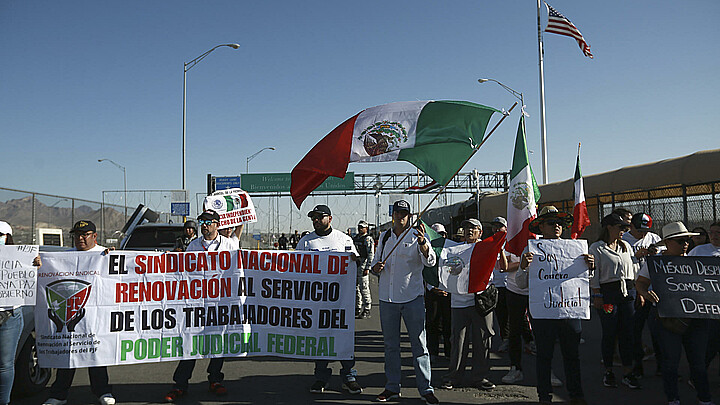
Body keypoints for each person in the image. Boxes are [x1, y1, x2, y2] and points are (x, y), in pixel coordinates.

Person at [515, 206, 592, 405]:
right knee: (544, 355)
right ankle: (544, 396)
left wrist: (589, 267)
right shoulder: (531, 250)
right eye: (551, 223)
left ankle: (576, 394)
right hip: (544, 312)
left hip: (570, 310)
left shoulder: (574, 249)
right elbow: (521, 283)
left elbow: (581, 281)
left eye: (560, 223)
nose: (557, 226)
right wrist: (524, 267)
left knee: (572, 355)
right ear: (541, 226)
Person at [636, 222, 713, 405]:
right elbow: (640, 283)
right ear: (668, 243)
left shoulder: (696, 259)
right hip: (667, 318)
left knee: (698, 362)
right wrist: (646, 294)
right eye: (680, 241)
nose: (685, 244)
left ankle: (704, 398)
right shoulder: (655, 263)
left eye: (687, 240)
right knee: (671, 361)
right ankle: (673, 398)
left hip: (696, 318)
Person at [164, 210, 237, 402]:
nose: (204, 225)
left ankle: (215, 379)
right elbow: (185, 272)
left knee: (217, 342)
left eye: (208, 222)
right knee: (190, 342)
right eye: (201, 221)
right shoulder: (194, 245)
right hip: (196, 303)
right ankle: (180, 384)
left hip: (220, 301)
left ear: (217, 224)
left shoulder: (229, 244)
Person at [371, 200, 439, 404]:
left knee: (419, 345)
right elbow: (375, 262)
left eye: (405, 213)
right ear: (392, 214)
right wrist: (376, 268)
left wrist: (424, 245)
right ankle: (392, 387)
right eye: (398, 212)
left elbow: (431, 261)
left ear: (409, 216)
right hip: (387, 299)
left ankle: (426, 389)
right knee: (391, 346)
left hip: (413, 298)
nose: (401, 216)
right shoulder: (384, 237)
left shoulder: (417, 236)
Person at [44, 220, 115, 405]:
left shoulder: (104, 253)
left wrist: (115, 257)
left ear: (94, 236)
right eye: (76, 235)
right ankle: (58, 394)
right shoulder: (65, 256)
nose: (80, 239)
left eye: (84, 235)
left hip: (96, 316)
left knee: (96, 354)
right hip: (70, 314)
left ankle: (102, 391)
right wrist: (37, 263)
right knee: (67, 353)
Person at [296, 205, 363, 395]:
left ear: (330, 218)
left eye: (319, 217)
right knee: (320, 339)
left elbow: (356, 263)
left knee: (344, 338)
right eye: (313, 218)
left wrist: (353, 259)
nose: (315, 220)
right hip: (317, 302)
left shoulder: (344, 239)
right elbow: (295, 267)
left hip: (341, 301)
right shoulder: (306, 241)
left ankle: (349, 377)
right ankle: (320, 378)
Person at [441, 218, 496, 391]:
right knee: (458, 341)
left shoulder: (488, 247)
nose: (469, 231)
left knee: (483, 340)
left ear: (480, 232)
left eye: (473, 228)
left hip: (481, 301)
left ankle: (480, 377)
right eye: (466, 228)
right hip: (459, 302)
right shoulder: (454, 249)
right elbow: (450, 269)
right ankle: (454, 376)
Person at [589, 213, 641, 389]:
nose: (623, 231)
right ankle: (609, 370)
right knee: (610, 332)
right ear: (609, 227)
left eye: (625, 228)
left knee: (627, 333)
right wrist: (597, 294)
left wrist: (638, 291)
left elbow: (634, 268)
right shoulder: (597, 248)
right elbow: (594, 273)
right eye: (621, 228)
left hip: (627, 294)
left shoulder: (626, 246)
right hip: (608, 295)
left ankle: (628, 371)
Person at [0, 221, 40, 405]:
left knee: (5, 364)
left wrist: (36, 266)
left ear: (8, 237)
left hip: (9, 316)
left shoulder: (20, 258)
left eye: (0, 235)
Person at [622, 212, 662, 377]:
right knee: (635, 330)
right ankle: (637, 364)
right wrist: (634, 256)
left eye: (645, 231)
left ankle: (662, 365)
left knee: (658, 331)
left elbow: (664, 256)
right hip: (634, 288)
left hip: (653, 290)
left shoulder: (653, 237)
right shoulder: (624, 240)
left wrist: (655, 252)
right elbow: (620, 265)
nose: (643, 234)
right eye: (639, 231)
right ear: (631, 227)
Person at [425, 223, 452, 361]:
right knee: (432, 323)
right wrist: (432, 288)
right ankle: (433, 352)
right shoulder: (427, 250)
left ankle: (449, 353)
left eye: (441, 234)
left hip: (448, 292)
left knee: (449, 324)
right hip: (432, 292)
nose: (439, 237)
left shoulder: (451, 248)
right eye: (436, 235)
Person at [489, 217, 516, 352]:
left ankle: (528, 340)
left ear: (506, 228)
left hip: (511, 284)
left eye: (499, 226)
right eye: (494, 226)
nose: (496, 229)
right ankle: (505, 339)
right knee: (501, 315)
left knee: (518, 316)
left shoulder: (511, 244)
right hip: (496, 285)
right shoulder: (489, 243)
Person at [353, 220, 374, 319]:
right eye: (359, 227)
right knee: (355, 288)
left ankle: (367, 308)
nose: (360, 229)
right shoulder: (355, 238)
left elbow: (371, 254)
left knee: (364, 287)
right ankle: (357, 306)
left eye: (362, 227)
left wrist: (368, 268)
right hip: (355, 263)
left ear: (366, 228)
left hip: (363, 263)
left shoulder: (368, 239)